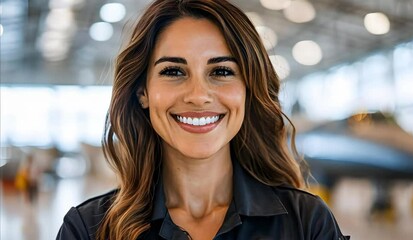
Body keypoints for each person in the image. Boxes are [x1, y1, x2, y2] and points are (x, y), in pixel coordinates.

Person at [57, 0, 349, 239]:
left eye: (221, 72)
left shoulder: (307, 224)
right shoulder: (88, 229)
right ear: (142, 92)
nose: (198, 95)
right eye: (173, 71)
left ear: (248, 90)